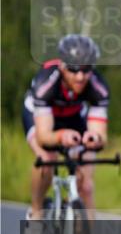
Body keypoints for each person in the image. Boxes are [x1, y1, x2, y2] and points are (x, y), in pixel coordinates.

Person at [22, 34, 110, 220]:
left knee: (86, 186)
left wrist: (94, 139)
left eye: (86, 70)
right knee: (47, 159)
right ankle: (36, 211)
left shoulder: (98, 87)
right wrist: (61, 136)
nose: (80, 76)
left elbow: (100, 135)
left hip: (73, 117)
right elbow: (44, 137)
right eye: (73, 69)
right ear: (62, 66)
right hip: (41, 117)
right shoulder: (45, 83)